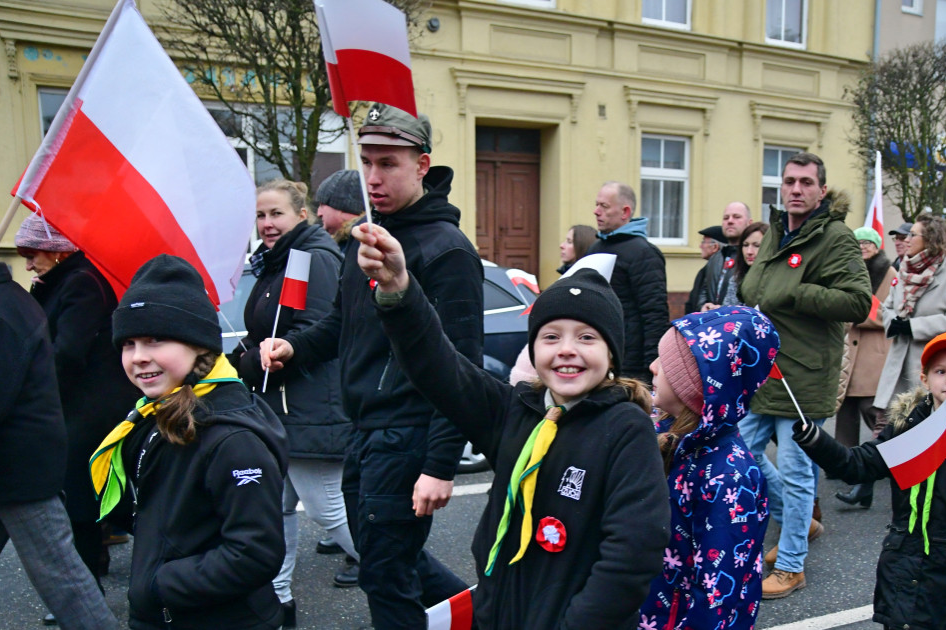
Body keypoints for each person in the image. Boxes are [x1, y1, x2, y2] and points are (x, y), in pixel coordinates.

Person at [354, 223, 670, 629]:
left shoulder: (626, 428)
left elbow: (633, 552)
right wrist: (398, 287)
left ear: (612, 355)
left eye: (587, 337)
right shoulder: (515, 410)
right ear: (533, 349)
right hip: (500, 610)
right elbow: (439, 366)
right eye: (551, 336)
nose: (567, 350)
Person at [261, 103, 477, 628]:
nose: (373, 178)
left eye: (389, 164)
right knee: (393, 558)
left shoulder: (445, 250)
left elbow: (464, 367)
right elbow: (340, 323)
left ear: (422, 165)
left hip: (407, 435)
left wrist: (440, 463)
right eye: (367, 163)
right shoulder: (369, 238)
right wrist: (295, 348)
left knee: (383, 574)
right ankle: (488, 613)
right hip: (362, 431)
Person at [92, 254, 287, 629]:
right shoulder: (156, 413)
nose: (139, 358)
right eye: (128, 344)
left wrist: (160, 584)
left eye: (155, 340)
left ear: (199, 344)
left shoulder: (232, 439)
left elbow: (255, 552)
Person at [795, 332, 946, 629]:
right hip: (903, 571)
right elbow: (859, 466)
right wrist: (816, 441)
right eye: (940, 371)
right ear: (925, 378)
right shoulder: (911, 425)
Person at [738, 153, 872, 599]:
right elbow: (758, 290)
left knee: (798, 473)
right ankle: (800, 523)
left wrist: (796, 292)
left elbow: (857, 302)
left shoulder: (835, 237)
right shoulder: (778, 230)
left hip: (804, 375)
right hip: (765, 370)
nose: (796, 189)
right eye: (789, 181)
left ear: (821, 190)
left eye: (806, 182)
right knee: (739, 452)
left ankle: (792, 565)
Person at [0, 214, 116, 630]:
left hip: (18, 468)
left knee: (67, 581)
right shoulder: (8, 301)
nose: (28, 262)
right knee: (67, 577)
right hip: (6, 464)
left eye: (33, 252)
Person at [231, 180, 355, 621]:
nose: (266, 224)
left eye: (276, 214)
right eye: (261, 216)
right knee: (277, 506)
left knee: (329, 511)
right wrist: (231, 362)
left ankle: (412, 581)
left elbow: (316, 334)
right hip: (279, 409)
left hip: (308, 410)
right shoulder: (282, 259)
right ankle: (280, 600)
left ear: (302, 215)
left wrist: (263, 357)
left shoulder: (310, 258)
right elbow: (273, 328)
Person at [14, 214, 139, 625]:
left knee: (82, 501)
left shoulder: (81, 281)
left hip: (88, 410)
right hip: (77, 408)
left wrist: (34, 392)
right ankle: (95, 575)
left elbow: (67, 353)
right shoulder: (59, 280)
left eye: (31, 253)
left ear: (55, 248)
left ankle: (90, 589)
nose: (28, 263)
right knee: (89, 499)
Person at [639, 306, 779, 629]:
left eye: (666, 364)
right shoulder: (667, 433)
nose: (652, 367)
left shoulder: (731, 476)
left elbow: (719, 595)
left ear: (696, 387)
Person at [874, 213, 946, 410]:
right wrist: (893, 321)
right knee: (892, 424)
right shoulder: (905, 270)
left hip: (932, 363)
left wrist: (914, 326)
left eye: (912, 235)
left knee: (925, 421)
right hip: (898, 362)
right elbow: (889, 305)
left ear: (931, 239)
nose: (907, 240)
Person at [831, 226, 898, 509]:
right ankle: (840, 462)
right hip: (848, 350)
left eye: (867, 243)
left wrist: (858, 315)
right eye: (857, 243)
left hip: (874, 350)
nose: (862, 247)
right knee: (844, 412)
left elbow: (890, 314)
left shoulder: (889, 274)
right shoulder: (846, 271)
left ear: (877, 246)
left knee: (874, 410)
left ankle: (888, 460)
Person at [587, 182, 668, 381]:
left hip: (631, 364)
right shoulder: (596, 248)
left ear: (625, 212)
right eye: (596, 205)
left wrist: (652, 366)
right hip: (599, 355)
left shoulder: (644, 253)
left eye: (604, 206)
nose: (596, 211)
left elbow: (654, 314)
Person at [696, 201, 752, 311]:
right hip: (713, 323)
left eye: (737, 217)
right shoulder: (715, 258)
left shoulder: (752, 258)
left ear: (749, 223)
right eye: (726, 218)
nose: (730, 221)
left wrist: (725, 310)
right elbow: (703, 291)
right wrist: (704, 306)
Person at [314, 169, 365, 254]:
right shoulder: (349, 244)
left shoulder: (360, 246)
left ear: (343, 206)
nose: (319, 213)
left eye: (322, 205)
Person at [684, 225, 726, 314]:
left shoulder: (715, 271)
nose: (700, 246)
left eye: (703, 242)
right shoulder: (706, 270)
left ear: (715, 247)